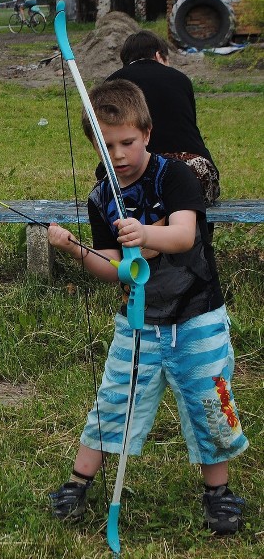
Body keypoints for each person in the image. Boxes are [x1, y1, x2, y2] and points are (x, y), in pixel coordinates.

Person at [46, 78, 247, 535]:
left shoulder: (174, 175)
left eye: (127, 142)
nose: (117, 154)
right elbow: (115, 265)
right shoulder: (103, 195)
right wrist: (76, 249)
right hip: (139, 322)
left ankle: (218, 492)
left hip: (198, 316)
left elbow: (183, 235)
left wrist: (144, 234)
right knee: (114, 400)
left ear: (148, 134)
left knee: (211, 402)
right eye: (105, 143)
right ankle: (78, 484)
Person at [107, 30, 219, 205]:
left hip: (134, 175)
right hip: (193, 173)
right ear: (159, 55)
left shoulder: (113, 83)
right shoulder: (181, 79)